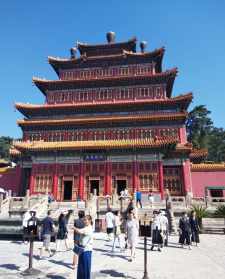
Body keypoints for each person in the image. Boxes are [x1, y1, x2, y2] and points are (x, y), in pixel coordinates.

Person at [74, 215, 93, 279]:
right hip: (82, 249)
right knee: (81, 267)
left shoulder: (89, 228)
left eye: (86, 220)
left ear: (90, 220)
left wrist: (73, 228)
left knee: (85, 268)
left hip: (86, 250)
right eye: (84, 220)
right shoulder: (86, 227)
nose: (84, 221)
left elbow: (80, 231)